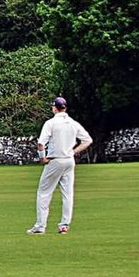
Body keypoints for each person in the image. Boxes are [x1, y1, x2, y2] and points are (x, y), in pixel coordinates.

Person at [28, 97, 92, 235]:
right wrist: (73, 152)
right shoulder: (73, 123)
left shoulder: (51, 123)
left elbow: (40, 143)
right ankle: (64, 225)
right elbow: (87, 140)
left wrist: (42, 158)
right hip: (69, 161)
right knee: (67, 193)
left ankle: (40, 226)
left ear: (54, 108)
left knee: (44, 193)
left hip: (55, 160)